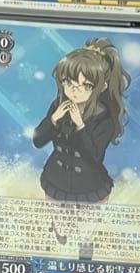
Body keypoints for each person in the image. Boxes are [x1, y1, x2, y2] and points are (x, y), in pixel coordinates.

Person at [31, 38, 130, 202]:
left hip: (89, 186)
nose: (74, 90)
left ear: (102, 87)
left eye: (86, 85)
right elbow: (37, 141)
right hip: (55, 181)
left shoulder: (104, 117)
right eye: (68, 82)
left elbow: (94, 157)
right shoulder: (58, 106)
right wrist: (53, 119)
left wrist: (80, 125)